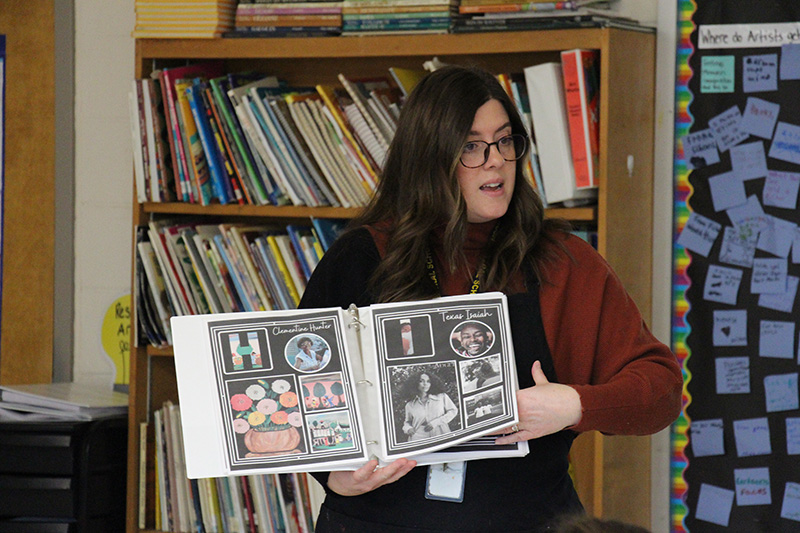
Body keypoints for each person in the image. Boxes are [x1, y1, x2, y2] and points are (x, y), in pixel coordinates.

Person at [298, 65, 682, 532]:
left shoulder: (563, 262)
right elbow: (304, 393)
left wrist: (573, 406)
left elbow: (660, 391)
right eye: (471, 147)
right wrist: (334, 478)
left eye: (505, 141)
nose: (495, 160)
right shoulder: (361, 256)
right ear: (430, 158)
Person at [401, 370, 458, 441]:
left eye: (428, 381)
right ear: (415, 383)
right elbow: (407, 422)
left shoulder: (441, 397)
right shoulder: (409, 405)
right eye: (421, 381)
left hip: (440, 434)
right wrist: (408, 429)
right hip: (418, 438)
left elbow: (453, 411)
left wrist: (436, 422)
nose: (425, 384)